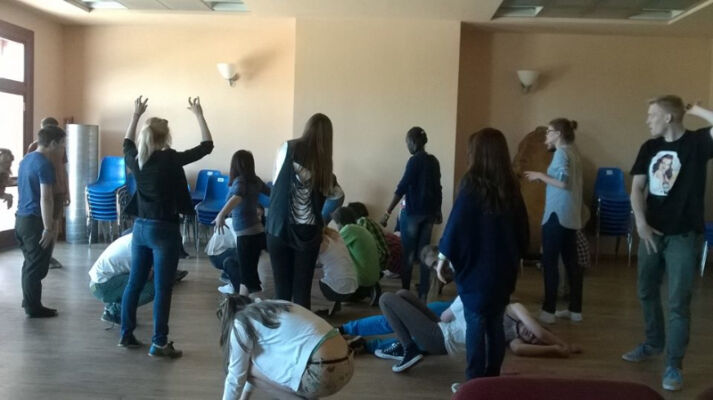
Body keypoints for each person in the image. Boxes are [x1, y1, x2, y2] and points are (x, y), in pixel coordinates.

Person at [623, 96, 713, 392]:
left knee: (678, 302)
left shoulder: (698, 144)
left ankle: (674, 364)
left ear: (668, 118)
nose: (647, 120)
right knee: (646, 290)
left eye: (652, 115)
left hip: (684, 236)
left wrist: (695, 109)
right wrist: (640, 223)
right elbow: (637, 188)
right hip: (651, 232)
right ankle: (653, 343)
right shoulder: (649, 147)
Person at [119, 96, 213, 358]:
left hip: (140, 229)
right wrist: (199, 114)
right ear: (166, 137)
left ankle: (126, 334)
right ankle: (159, 343)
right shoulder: (169, 159)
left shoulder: (136, 159)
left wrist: (135, 115)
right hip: (164, 231)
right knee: (162, 288)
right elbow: (207, 146)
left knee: (134, 283)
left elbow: (126, 142)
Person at [437, 128, 529, 380]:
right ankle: (492, 378)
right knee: (495, 325)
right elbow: (523, 229)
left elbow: (456, 225)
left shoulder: (470, 185)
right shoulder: (512, 186)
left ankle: (474, 382)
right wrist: (518, 256)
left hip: (477, 274)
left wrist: (443, 258)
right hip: (502, 272)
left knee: (475, 326)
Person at [266, 113, 343, 310]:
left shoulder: (287, 147)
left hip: (278, 227)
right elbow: (338, 196)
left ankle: (282, 327)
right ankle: (302, 327)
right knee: (302, 292)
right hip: (308, 233)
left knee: (281, 291)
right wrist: (322, 221)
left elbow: (275, 182)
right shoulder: (325, 168)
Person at [342, 298, 580, 359]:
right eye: (534, 333)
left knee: (409, 331)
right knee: (394, 314)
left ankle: (364, 345)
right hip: (452, 311)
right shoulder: (514, 309)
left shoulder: (511, 340)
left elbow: (522, 348)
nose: (531, 336)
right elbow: (539, 332)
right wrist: (562, 344)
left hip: (446, 330)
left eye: (532, 340)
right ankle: (347, 328)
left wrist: (554, 350)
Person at [219, 295, 353, 400]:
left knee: (242, 366)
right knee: (250, 362)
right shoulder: (275, 306)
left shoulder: (240, 323)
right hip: (346, 363)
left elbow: (236, 376)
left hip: (321, 372)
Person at [524, 118, 584, 324]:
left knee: (550, 263)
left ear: (558, 134)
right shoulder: (574, 152)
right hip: (571, 216)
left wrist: (540, 175)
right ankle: (575, 310)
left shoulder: (561, 153)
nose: (546, 136)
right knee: (571, 263)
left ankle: (548, 311)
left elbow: (562, 183)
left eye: (549, 132)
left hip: (556, 215)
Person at [380, 126, 442, 300]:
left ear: (413, 142)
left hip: (413, 214)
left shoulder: (414, 161)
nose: (407, 146)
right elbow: (438, 188)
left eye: (407, 142)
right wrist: (438, 210)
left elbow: (402, 187)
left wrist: (387, 212)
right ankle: (423, 294)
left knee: (407, 254)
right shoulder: (434, 161)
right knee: (424, 254)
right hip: (429, 214)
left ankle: (405, 293)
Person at [15, 125, 66, 318]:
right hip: (35, 221)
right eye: (61, 144)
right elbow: (46, 198)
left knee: (30, 264)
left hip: (21, 220)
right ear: (52, 143)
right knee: (36, 267)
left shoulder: (26, 159)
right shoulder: (44, 164)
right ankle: (33, 307)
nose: (62, 148)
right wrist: (48, 227)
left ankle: (30, 301)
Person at [89, 232, 189, 324]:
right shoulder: (143, 249)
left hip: (99, 281)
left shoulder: (138, 235)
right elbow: (146, 276)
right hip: (102, 286)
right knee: (154, 288)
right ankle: (114, 311)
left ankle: (114, 304)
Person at [214, 150, 271, 295]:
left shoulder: (240, 181)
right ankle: (246, 302)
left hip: (246, 235)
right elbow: (272, 193)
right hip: (258, 232)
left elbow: (238, 197)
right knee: (249, 274)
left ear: (235, 165)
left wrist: (221, 215)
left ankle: (247, 304)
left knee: (247, 276)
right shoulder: (255, 180)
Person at [27, 117, 68, 269]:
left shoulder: (61, 148)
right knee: (44, 224)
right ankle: (40, 255)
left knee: (54, 223)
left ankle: (49, 255)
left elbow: (64, 169)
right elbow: (31, 169)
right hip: (42, 191)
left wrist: (67, 190)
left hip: (57, 190)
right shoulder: (34, 148)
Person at [331, 207, 381, 306]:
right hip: (373, 276)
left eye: (336, 223)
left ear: (339, 222)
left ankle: (362, 291)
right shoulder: (359, 229)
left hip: (363, 279)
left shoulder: (348, 229)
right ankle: (367, 290)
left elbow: (332, 247)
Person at [315, 227, 359, 315]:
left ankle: (324, 307)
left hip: (337, 290)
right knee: (327, 270)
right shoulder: (335, 236)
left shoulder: (320, 241)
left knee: (307, 277)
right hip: (353, 286)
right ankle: (332, 305)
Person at [348, 201, 390, 271]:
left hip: (380, 258)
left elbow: (360, 242)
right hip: (382, 257)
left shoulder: (363, 221)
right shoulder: (368, 221)